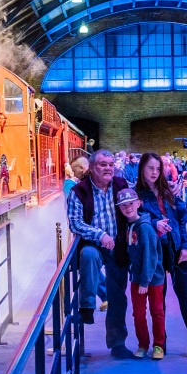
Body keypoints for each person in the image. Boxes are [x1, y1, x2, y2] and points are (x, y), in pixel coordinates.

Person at [67, 149, 133, 359]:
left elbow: (131, 208)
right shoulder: (79, 192)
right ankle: (87, 306)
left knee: (117, 297)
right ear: (92, 168)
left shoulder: (121, 185)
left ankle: (117, 343)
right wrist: (100, 234)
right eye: (103, 164)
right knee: (88, 256)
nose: (108, 168)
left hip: (118, 245)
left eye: (111, 164)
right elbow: (75, 223)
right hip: (93, 243)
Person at [136, 152, 187, 357]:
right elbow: (135, 220)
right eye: (150, 168)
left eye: (157, 169)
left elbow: (184, 218)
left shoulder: (169, 191)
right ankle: (160, 342)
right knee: (158, 299)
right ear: (142, 169)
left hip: (177, 248)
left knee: (183, 294)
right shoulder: (137, 194)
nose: (154, 173)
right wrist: (154, 224)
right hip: (154, 252)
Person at [116, 188, 167, 360]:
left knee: (156, 311)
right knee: (138, 314)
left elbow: (150, 256)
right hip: (137, 278)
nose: (127, 208)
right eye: (123, 206)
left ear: (139, 203)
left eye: (131, 204)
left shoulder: (145, 228)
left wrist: (145, 281)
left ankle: (158, 345)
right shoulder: (129, 227)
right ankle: (143, 345)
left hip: (152, 279)